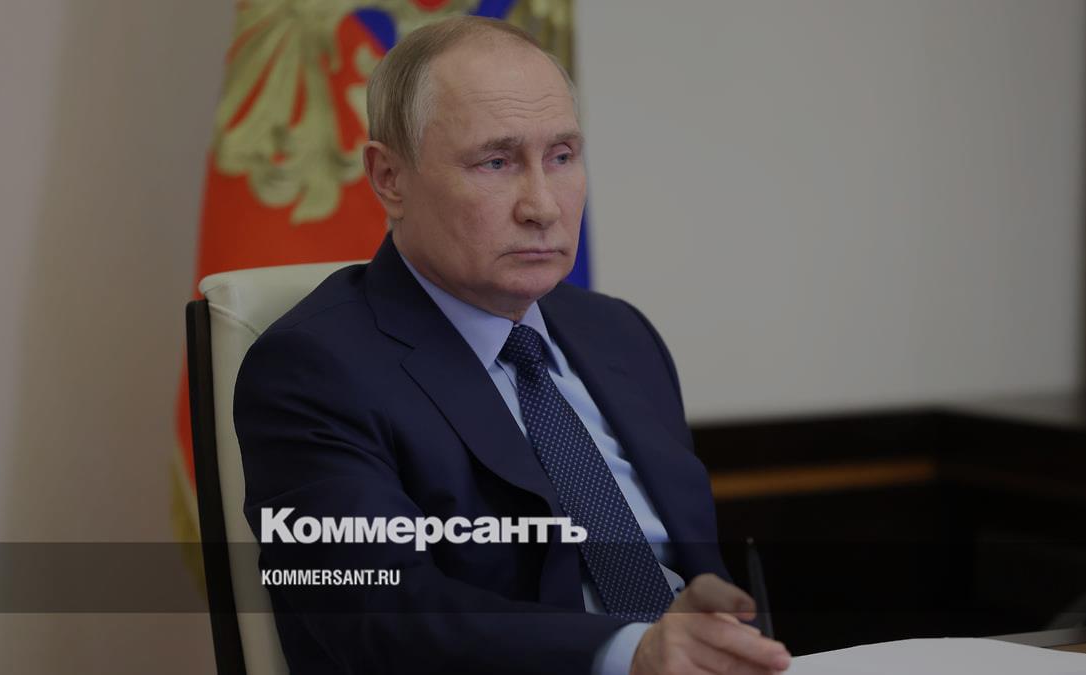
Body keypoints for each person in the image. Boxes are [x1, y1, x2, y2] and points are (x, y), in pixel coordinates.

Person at [234, 16, 791, 675]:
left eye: (562, 157)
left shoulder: (621, 335)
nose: (543, 206)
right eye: (496, 162)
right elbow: (380, 613)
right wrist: (628, 654)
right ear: (389, 178)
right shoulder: (312, 370)